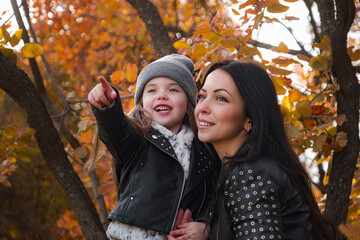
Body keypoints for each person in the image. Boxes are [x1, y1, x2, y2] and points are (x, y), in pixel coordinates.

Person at [170, 60, 336, 239]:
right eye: (202, 96)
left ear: (249, 118)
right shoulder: (236, 170)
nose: (202, 108)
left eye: (221, 99)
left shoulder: (250, 175)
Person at [87, 54, 219, 240]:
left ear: (188, 102)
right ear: (141, 102)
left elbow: (213, 196)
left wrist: (205, 226)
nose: (162, 95)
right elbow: (116, 131)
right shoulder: (138, 142)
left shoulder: (204, 150)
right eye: (151, 91)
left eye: (173, 90)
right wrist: (108, 109)